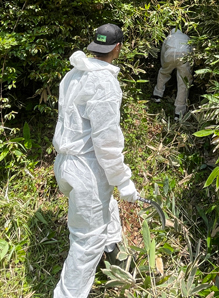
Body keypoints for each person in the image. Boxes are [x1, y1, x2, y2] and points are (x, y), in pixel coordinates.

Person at [52, 23, 140, 298]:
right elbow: (106, 142)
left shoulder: (73, 73)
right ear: (118, 48)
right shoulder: (104, 82)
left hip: (65, 164)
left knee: (106, 206)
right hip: (87, 169)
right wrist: (124, 181)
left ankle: (115, 255)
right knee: (86, 241)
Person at [152, 28, 193, 119]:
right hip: (184, 56)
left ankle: (157, 95)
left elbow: (163, 53)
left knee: (163, 73)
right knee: (184, 81)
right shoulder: (186, 37)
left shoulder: (169, 37)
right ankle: (179, 112)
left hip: (169, 55)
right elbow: (192, 51)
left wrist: (164, 66)